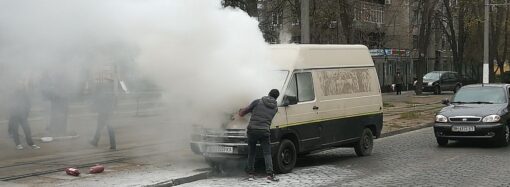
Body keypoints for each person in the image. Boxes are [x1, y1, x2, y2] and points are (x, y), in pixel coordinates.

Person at [239, 89, 280, 182]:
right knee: (267, 153)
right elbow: (265, 116)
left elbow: (242, 113)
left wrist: (240, 111)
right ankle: (270, 175)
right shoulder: (275, 108)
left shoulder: (257, 101)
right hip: (265, 131)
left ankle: (250, 174)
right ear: (276, 97)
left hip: (252, 130)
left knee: (252, 153)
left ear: (268, 93)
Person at [8, 78, 40, 150]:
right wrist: (12, 112)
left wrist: (26, 112)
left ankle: (31, 144)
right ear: (16, 85)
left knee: (27, 129)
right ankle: (18, 144)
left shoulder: (25, 93)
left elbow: (28, 103)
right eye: (18, 84)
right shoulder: (12, 93)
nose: (20, 86)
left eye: (21, 84)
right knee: (15, 130)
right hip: (14, 115)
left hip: (23, 115)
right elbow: (9, 103)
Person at [89, 72, 116, 150]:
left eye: (107, 80)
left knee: (107, 127)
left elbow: (103, 100)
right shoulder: (110, 90)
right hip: (107, 111)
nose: (106, 82)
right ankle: (95, 141)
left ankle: (97, 141)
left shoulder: (108, 90)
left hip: (105, 111)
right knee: (101, 127)